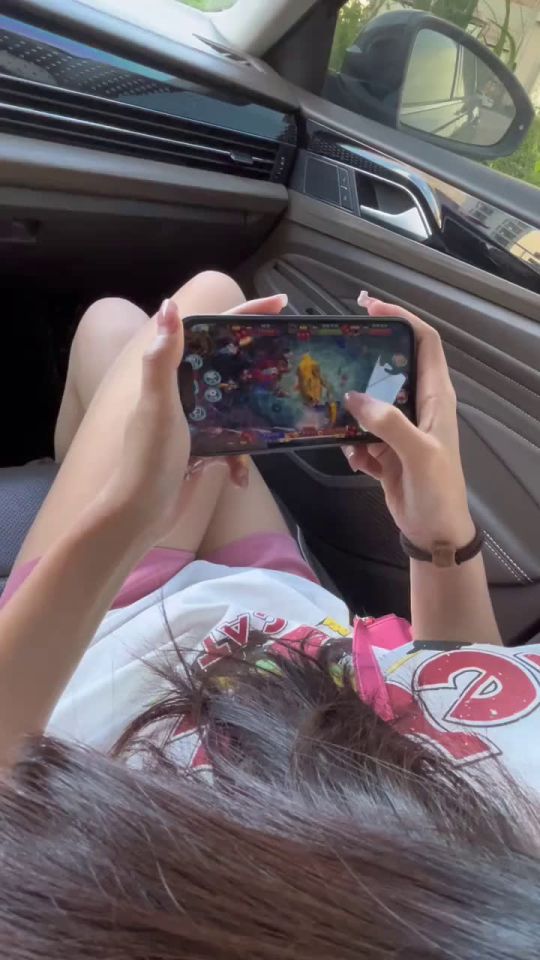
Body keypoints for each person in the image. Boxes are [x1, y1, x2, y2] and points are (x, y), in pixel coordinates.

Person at [0, 270, 540, 958]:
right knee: (146, 332)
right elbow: (471, 699)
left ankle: (63, 481)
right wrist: (439, 537)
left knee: (161, 315)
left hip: (93, 642)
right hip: (281, 615)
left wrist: (123, 517)